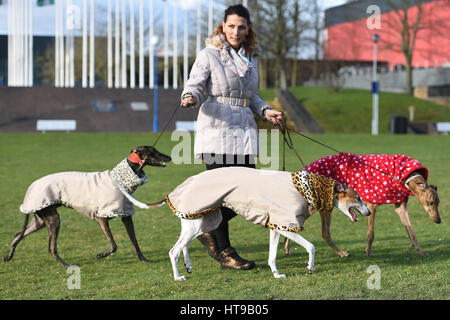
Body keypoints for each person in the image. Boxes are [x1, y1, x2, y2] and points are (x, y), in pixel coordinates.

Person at [180, 4, 283, 270]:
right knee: (220, 194)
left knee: (244, 194)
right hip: (216, 129)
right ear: (222, 27)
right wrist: (189, 97)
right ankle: (225, 252)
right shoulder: (209, 54)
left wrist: (266, 110)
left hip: (244, 131)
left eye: (241, 27)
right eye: (231, 26)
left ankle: (204, 226)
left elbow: (251, 97)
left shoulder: (250, 57)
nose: (236, 31)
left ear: (248, 29)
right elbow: (196, 84)